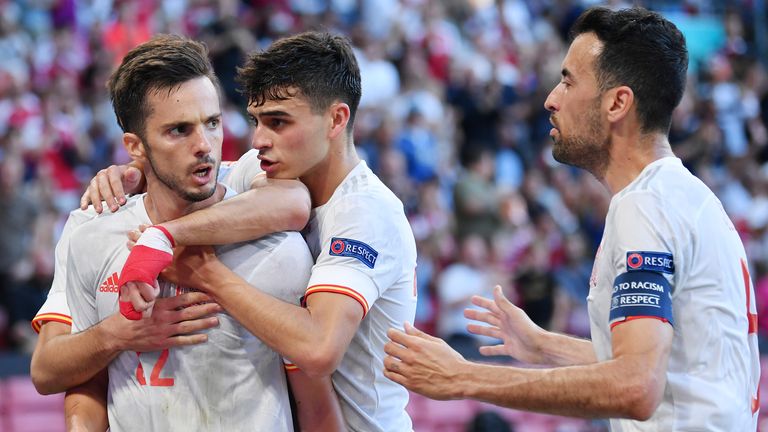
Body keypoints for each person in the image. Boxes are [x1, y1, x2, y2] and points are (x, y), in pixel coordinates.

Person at [382, 7, 760, 431]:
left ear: (618, 102)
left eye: (567, 80)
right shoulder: (686, 198)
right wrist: (543, 345)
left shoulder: (646, 206)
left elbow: (637, 386)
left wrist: (464, 376)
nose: (551, 98)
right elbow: (669, 367)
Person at [83, 31, 418, 432]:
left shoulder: (366, 212)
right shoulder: (273, 174)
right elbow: (203, 181)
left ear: (336, 119)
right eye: (256, 121)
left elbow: (318, 348)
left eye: (278, 122)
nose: (259, 139)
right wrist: (134, 173)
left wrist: (207, 275)